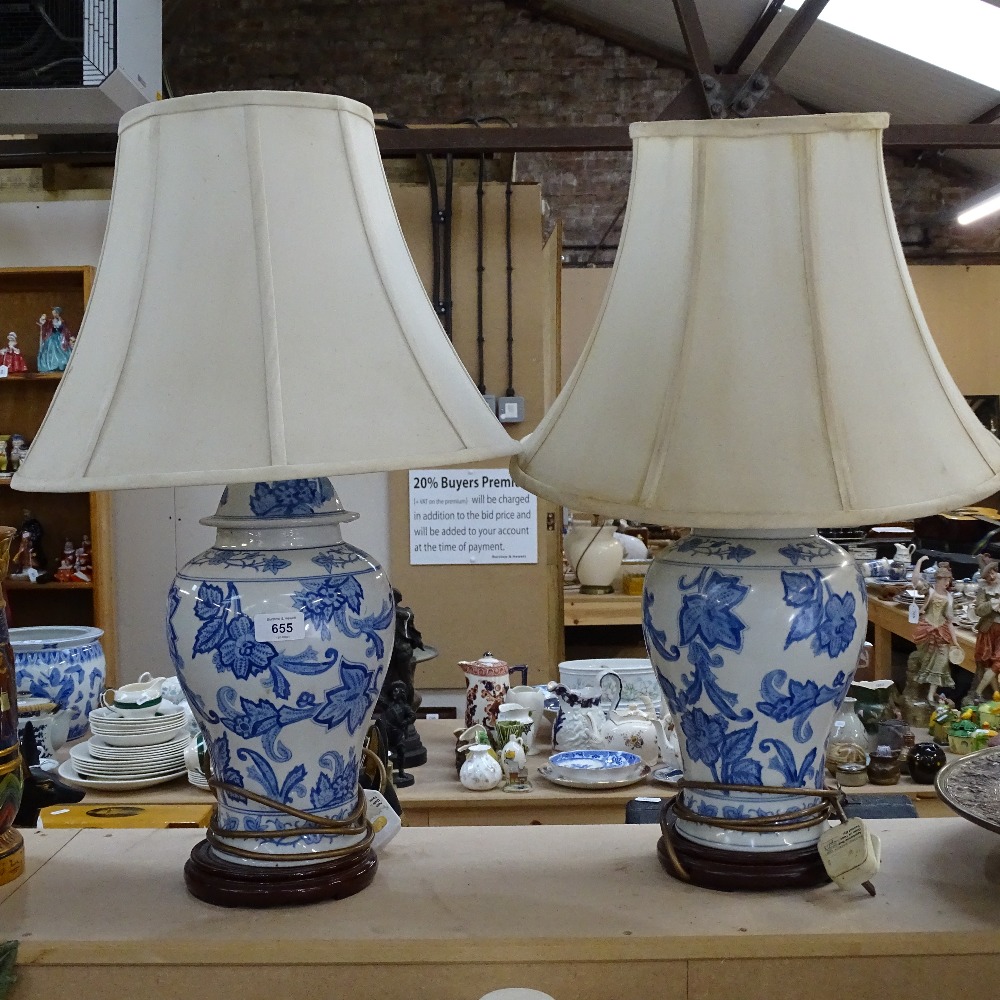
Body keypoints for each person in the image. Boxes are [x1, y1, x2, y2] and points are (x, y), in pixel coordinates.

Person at [908, 558, 957, 705]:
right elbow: (915, 581)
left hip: (941, 630)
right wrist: (919, 562)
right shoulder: (930, 590)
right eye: (944, 580)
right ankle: (923, 692)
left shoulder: (949, 597)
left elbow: (949, 621)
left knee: (941, 662)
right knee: (925, 659)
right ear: (938, 579)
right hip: (927, 628)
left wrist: (955, 642)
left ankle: (930, 695)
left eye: (948, 580)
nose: (946, 583)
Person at [973, 556, 1000, 698]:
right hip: (989, 629)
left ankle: (978, 691)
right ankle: (996, 695)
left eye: (993, 572)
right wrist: (992, 604)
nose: (991, 576)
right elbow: (978, 610)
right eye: (988, 574)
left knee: (998, 663)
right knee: (988, 662)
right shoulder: (983, 589)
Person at [36, 308, 73, 373]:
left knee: (62, 349)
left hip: (60, 337)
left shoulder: (62, 321)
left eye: (55, 313)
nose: (54, 315)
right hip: (52, 337)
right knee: (51, 347)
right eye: (53, 313)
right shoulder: (50, 321)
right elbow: (44, 323)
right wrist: (42, 320)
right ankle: (51, 365)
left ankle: (61, 365)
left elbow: (65, 330)